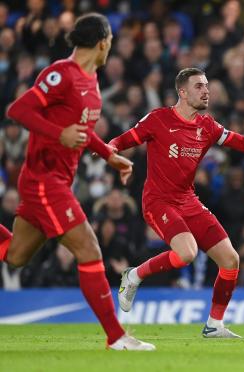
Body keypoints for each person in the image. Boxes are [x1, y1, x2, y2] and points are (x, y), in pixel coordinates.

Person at [0, 13, 154, 351]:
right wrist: (59, 133)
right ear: (102, 42)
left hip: (57, 179)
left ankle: (117, 336)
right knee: (89, 249)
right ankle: (116, 337)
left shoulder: (92, 79)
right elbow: (18, 110)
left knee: (15, 256)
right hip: (44, 180)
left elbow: (80, 131)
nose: (110, 48)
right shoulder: (61, 74)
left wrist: (108, 154)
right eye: (110, 42)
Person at [109, 67, 244, 339]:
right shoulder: (158, 119)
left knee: (231, 260)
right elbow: (121, 141)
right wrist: (109, 152)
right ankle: (134, 276)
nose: (206, 91)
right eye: (199, 86)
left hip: (188, 200)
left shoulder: (206, 126)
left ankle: (214, 325)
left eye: (206, 86)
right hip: (159, 201)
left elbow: (239, 142)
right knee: (186, 253)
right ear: (182, 92)